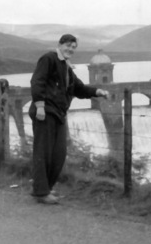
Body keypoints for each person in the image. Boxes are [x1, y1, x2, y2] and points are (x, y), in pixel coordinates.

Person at [29, 34, 109, 204]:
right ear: (60, 45)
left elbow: (78, 88)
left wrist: (97, 92)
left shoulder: (66, 67)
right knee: (43, 153)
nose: (71, 49)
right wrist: (40, 106)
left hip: (58, 113)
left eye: (74, 47)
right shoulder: (49, 59)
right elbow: (37, 82)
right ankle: (41, 192)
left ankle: (46, 189)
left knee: (58, 154)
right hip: (45, 111)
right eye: (68, 45)